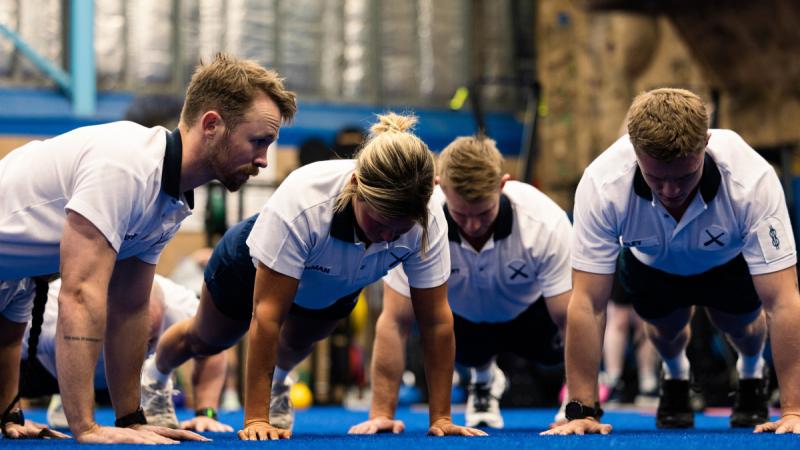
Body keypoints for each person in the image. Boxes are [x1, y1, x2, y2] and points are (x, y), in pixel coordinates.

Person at [0, 52, 297, 443]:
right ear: (212, 124)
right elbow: (80, 295)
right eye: (258, 142)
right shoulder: (125, 165)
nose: (262, 160)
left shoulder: (170, 199)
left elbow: (128, 306)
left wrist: (130, 419)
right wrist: (86, 427)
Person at [141, 113, 485, 440]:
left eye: (399, 230)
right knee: (208, 339)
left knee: (298, 343)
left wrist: (441, 417)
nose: (386, 238)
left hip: (334, 282)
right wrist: (256, 419)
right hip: (248, 264)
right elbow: (266, 315)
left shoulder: (427, 218)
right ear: (355, 187)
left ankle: (279, 381)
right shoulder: (307, 201)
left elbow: (437, 322)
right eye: (379, 224)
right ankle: (155, 378)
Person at [543, 87, 800, 436]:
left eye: (683, 176)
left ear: (705, 144)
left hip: (727, 260)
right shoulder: (602, 184)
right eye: (656, 178)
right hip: (653, 264)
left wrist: (794, 410)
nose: (669, 191)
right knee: (665, 331)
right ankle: (676, 373)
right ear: (634, 151)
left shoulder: (751, 179)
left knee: (743, 328)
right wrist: (582, 410)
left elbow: (783, 301)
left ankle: (751, 373)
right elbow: (587, 303)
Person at [348, 135, 571, 433]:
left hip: (529, 316)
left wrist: (579, 404)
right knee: (438, 330)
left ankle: (494, 378)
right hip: (463, 325)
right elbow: (395, 322)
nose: (473, 225)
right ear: (440, 187)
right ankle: (482, 378)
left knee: (556, 355)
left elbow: (575, 319)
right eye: (461, 214)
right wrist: (381, 413)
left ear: (502, 185)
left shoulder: (544, 222)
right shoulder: (417, 223)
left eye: (483, 212)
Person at [20, 275, 232, 432]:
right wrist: (9, 415)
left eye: (150, 340)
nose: (141, 349)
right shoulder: (53, 312)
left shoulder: (181, 307)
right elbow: (5, 349)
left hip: (134, 380)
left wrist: (206, 413)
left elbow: (213, 348)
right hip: (49, 368)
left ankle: (146, 387)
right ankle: (68, 395)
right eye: (136, 341)